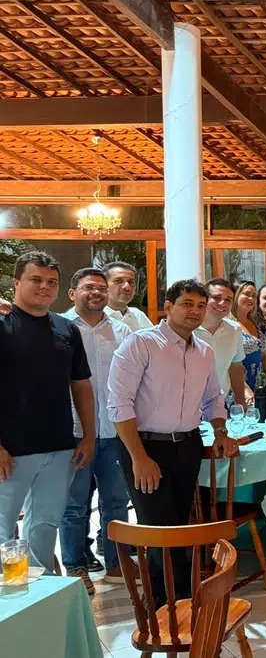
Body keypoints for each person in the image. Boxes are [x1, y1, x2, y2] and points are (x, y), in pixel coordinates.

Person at [107, 279, 232, 606]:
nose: (195, 311)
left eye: (201, 306)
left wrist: (220, 431)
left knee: (178, 524)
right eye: (187, 304)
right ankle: (181, 603)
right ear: (168, 307)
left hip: (187, 446)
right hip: (146, 447)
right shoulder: (141, 344)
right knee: (159, 528)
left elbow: (213, 398)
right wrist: (139, 457)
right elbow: (119, 404)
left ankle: (160, 600)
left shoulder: (204, 351)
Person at [0, 252, 95, 575]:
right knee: (2, 530)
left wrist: (89, 435)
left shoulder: (67, 329)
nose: (44, 287)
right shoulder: (2, 323)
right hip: (9, 451)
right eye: (35, 280)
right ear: (16, 283)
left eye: (51, 282)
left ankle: (39, 593)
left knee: (44, 525)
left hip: (59, 447)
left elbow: (81, 385)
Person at [59, 267, 132, 593]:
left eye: (102, 288)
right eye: (89, 287)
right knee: (74, 505)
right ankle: (75, 566)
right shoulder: (59, 328)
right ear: (73, 293)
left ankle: (118, 563)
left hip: (114, 431)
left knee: (116, 502)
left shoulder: (121, 330)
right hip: (72, 431)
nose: (97, 293)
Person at [195, 278, 247, 409]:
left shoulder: (235, 329)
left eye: (228, 299)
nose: (222, 303)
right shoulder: (187, 330)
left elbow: (236, 367)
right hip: (187, 407)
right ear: (205, 299)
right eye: (216, 297)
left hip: (219, 406)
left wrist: (241, 402)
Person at [233, 280, 266, 394]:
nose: (251, 298)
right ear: (235, 295)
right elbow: (227, 364)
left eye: (254, 296)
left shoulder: (254, 322)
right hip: (237, 391)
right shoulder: (228, 324)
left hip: (257, 390)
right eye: (246, 294)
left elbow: (264, 357)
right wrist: (245, 390)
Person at [102, 261, 154, 331]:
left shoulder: (138, 315)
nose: (127, 287)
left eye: (131, 282)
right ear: (104, 286)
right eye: (118, 281)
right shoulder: (95, 317)